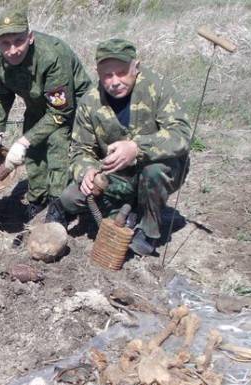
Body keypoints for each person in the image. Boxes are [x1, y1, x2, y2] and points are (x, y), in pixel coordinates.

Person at [49, 38, 191, 256]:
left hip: (157, 169)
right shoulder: (90, 101)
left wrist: (137, 148)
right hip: (117, 174)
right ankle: (124, 208)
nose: (114, 81)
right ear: (97, 72)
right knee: (70, 197)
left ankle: (148, 231)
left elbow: (181, 135)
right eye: (107, 75)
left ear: (136, 67)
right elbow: (80, 150)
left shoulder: (158, 87)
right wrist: (87, 170)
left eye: (122, 72)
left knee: (154, 172)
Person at [0, 8, 91, 219]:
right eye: (5, 43)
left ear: (30, 37)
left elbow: (60, 111)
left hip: (72, 105)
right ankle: (38, 197)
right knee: (33, 154)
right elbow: (1, 95)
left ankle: (58, 205)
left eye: (19, 41)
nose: (13, 50)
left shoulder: (51, 55)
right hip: (37, 105)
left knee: (56, 146)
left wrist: (22, 141)